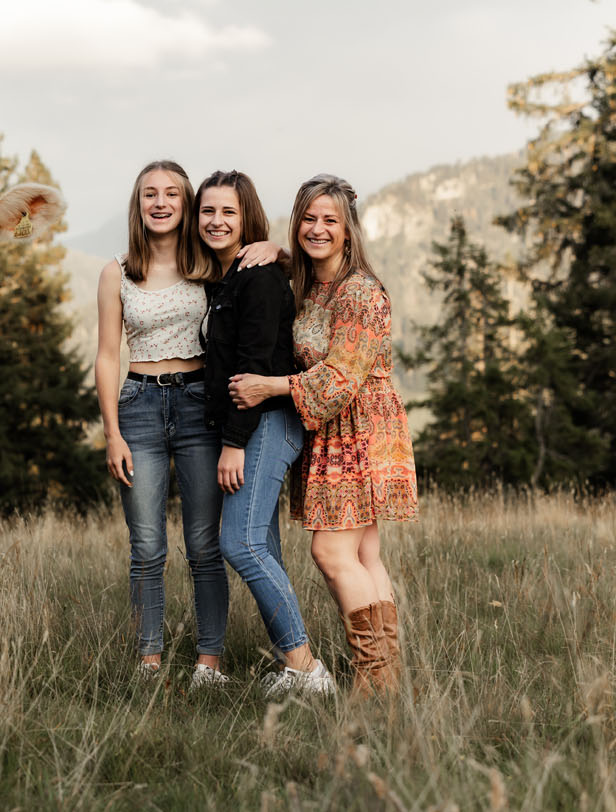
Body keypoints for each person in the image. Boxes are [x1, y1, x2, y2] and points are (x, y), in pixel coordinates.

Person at [228, 174, 418, 696]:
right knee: (364, 557)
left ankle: (374, 679)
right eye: (308, 218)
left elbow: (338, 380)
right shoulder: (312, 283)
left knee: (332, 555)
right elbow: (296, 256)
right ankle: (387, 684)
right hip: (336, 431)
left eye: (329, 220)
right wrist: (275, 248)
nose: (317, 229)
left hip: (361, 429)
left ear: (349, 230)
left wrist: (268, 387)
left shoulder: (360, 292)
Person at [94, 160, 275, 687]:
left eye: (172, 193)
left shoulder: (210, 266)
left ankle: (208, 663)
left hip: (201, 406)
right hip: (139, 407)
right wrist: (113, 433)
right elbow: (107, 356)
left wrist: (277, 248)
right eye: (150, 194)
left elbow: (262, 267)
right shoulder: (118, 272)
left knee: (203, 544)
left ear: (186, 203)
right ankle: (149, 662)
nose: (160, 202)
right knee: (147, 546)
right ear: (139, 203)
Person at [195, 170, 335, 696]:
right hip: (249, 426)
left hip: (265, 425)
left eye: (228, 212)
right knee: (262, 545)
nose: (216, 220)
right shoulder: (230, 275)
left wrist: (233, 444)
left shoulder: (257, 276)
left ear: (246, 217)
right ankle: (291, 665)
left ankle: (305, 665)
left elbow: (253, 367)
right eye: (208, 211)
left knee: (241, 543)